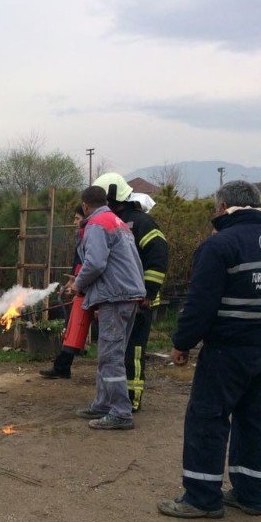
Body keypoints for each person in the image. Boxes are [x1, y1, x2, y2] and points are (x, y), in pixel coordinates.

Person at [158, 181, 261, 518]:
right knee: (253, 420)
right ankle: (251, 495)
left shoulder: (219, 246)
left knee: (207, 419)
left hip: (226, 352)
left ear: (222, 208)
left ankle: (201, 498)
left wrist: (182, 343)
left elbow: (200, 305)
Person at [71, 184, 146, 430]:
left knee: (110, 357)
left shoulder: (95, 225)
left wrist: (77, 285)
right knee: (110, 354)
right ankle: (103, 404)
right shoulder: (117, 221)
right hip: (128, 294)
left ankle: (121, 412)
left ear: (85, 205)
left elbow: (95, 263)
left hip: (115, 297)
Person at [97, 173, 170, 412]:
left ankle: (132, 397)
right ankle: (115, 398)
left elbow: (158, 258)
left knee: (134, 351)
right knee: (116, 351)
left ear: (112, 197)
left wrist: (148, 293)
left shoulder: (143, 223)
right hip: (119, 299)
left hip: (141, 301)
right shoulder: (114, 221)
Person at [39, 205, 92, 379]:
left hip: (95, 289)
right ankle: (62, 367)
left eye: (77, 218)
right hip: (84, 288)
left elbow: (93, 264)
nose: (74, 222)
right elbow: (79, 263)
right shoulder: (81, 236)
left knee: (76, 327)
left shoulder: (92, 235)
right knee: (72, 327)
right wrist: (72, 280)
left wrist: (78, 283)